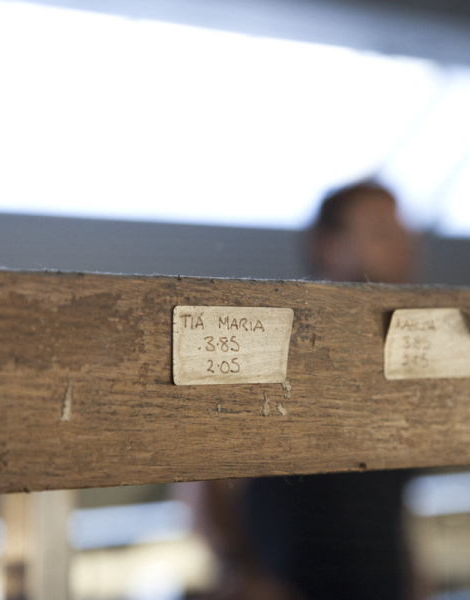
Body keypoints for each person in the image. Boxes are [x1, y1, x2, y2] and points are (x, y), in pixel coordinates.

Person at [187, 181, 421, 600]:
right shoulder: (278, 346)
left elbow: (390, 502)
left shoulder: (394, 358)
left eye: (403, 232)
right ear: (328, 246)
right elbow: (200, 482)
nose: (403, 243)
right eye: (381, 231)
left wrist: (417, 580)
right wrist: (246, 574)